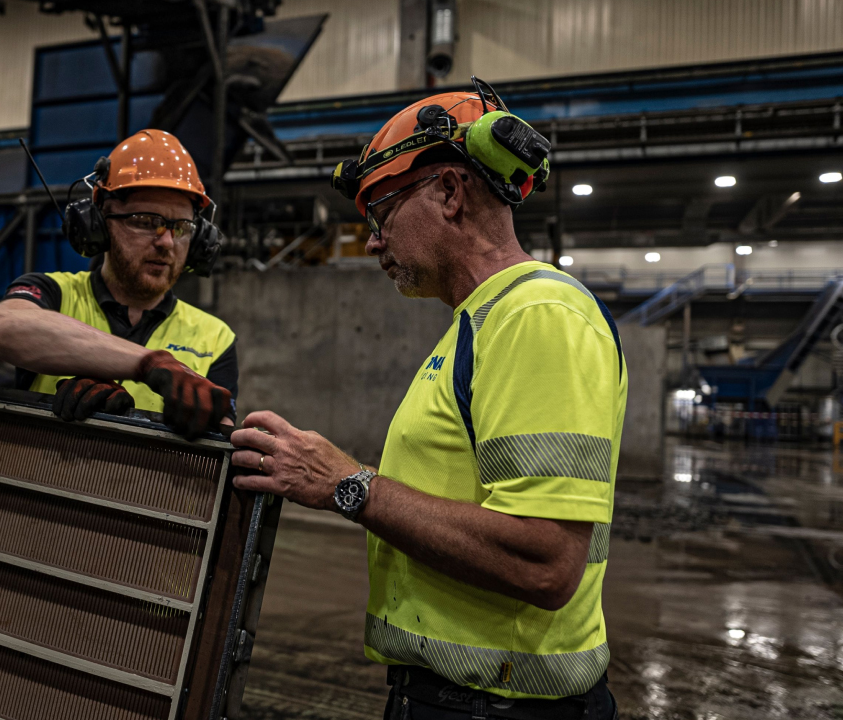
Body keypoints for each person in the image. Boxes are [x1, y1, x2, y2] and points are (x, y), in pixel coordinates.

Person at [230, 81, 626, 720]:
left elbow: (547, 562)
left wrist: (347, 484)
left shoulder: (538, 315)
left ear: (448, 192)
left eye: (382, 213)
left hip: (500, 707)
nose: (373, 243)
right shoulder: (480, 322)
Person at [0, 129, 237, 439]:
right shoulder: (55, 293)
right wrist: (148, 363)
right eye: (145, 221)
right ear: (99, 224)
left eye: (181, 227)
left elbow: (221, 441)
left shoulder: (216, 337)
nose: (167, 242)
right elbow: (2, 327)